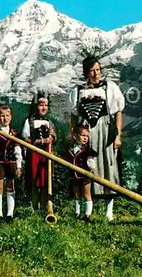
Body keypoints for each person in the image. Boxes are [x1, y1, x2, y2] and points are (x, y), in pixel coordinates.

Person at [65, 55, 125, 221]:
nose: (96, 73)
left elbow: (118, 112)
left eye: (98, 70)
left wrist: (118, 136)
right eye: (92, 70)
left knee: (108, 166)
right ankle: (87, 211)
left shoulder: (109, 87)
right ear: (86, 72)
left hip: (105, 131)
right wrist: (73, 134)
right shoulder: (78, 91)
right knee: (86, 168)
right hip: (86, 132)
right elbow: (74, 115)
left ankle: (108, 212)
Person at [21, 91, 57, 213]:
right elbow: (25, 139)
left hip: (46, 155)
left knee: (45, 182)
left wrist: (52, 137)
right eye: (41, 104)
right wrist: (42, 141)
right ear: (35, 105)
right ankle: (35, 208)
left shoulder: (49, 122)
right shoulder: (29, 122)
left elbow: (54, 139)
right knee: (35, 182)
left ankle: (44, 208)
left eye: (46, 105)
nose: (44, 107)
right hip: (34, 155)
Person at [63, 122, 97, 221]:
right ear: (75, 136)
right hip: (74, 175)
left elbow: (90, 158)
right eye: (83, 135)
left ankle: (87, 214)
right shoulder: (69, 149)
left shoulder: (87, 150)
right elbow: (66, 158)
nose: (85, 138)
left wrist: (91, 163)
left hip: (85, 176)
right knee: (77, 194)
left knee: (86, 194)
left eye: (87, 136)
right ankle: (77, 213)